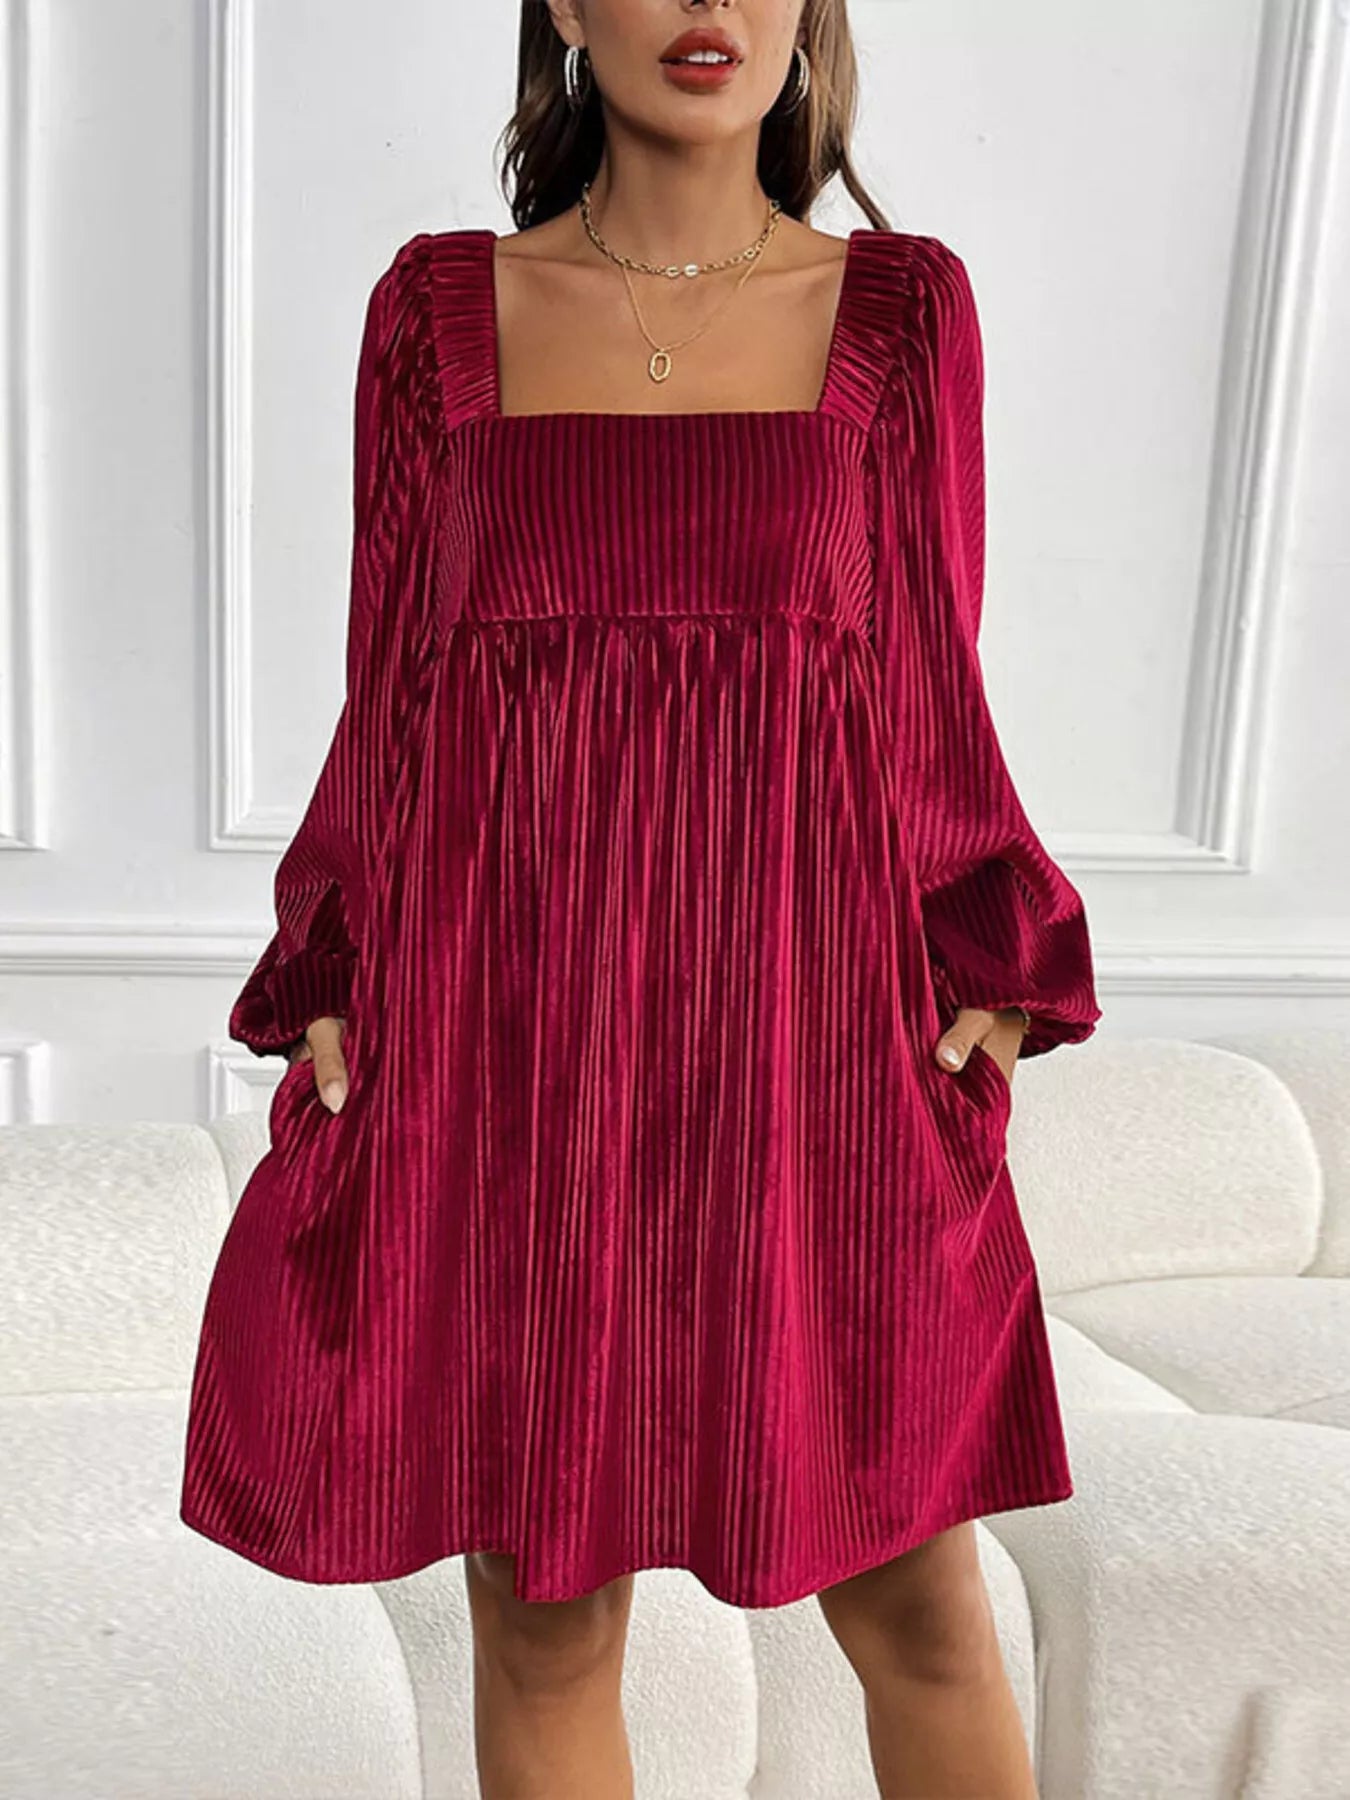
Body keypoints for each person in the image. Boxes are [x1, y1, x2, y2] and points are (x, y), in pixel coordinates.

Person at [180, 3, 1102, 1795]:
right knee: (543, 1623)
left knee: (919, 1608)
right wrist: (339, 954)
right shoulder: (436, 315)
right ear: (561, 6)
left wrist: (984, 934)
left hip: (814, 1049)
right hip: (523, 1054)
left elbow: (926, 673)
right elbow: (394, 688)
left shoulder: (902, 318)